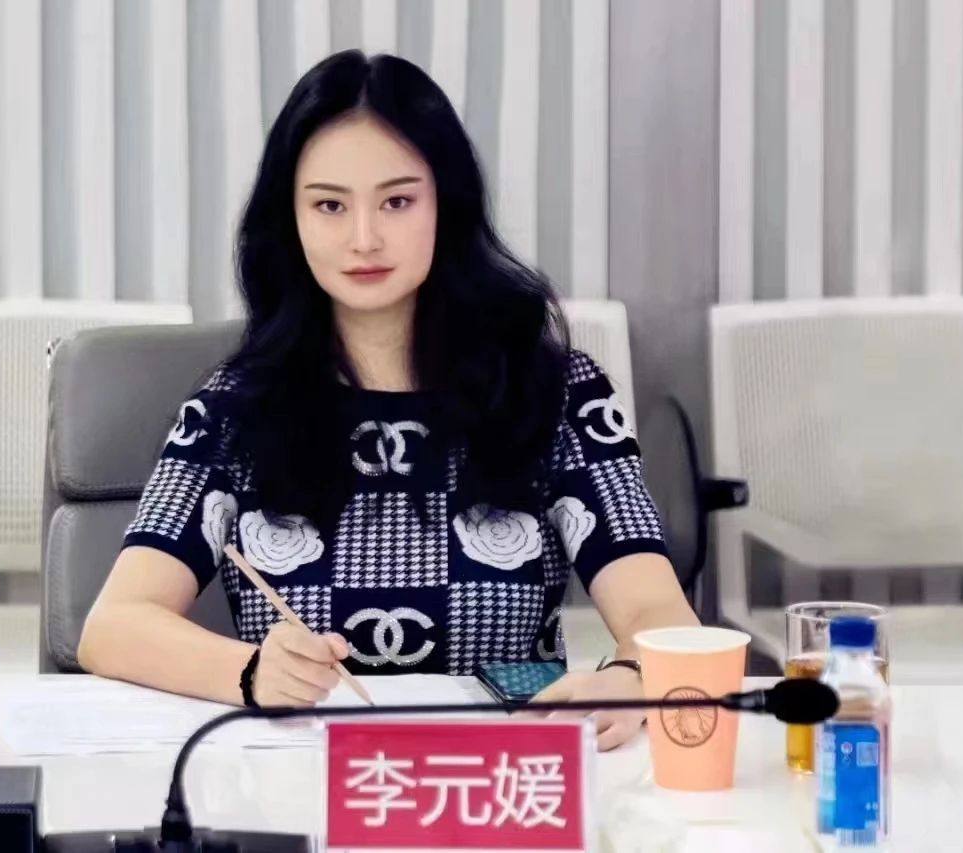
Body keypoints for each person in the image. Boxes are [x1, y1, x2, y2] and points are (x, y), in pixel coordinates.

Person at [78, 50, 699, 750]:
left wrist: (629, 675)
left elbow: (658, 613)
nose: (364, 238)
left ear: (446, 205)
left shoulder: (555, 392)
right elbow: (114, 624)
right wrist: (250, 671)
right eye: (329, 205)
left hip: (497, 776)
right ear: (291, 219)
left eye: (397, 201)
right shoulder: (236, 408)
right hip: (299, 776)